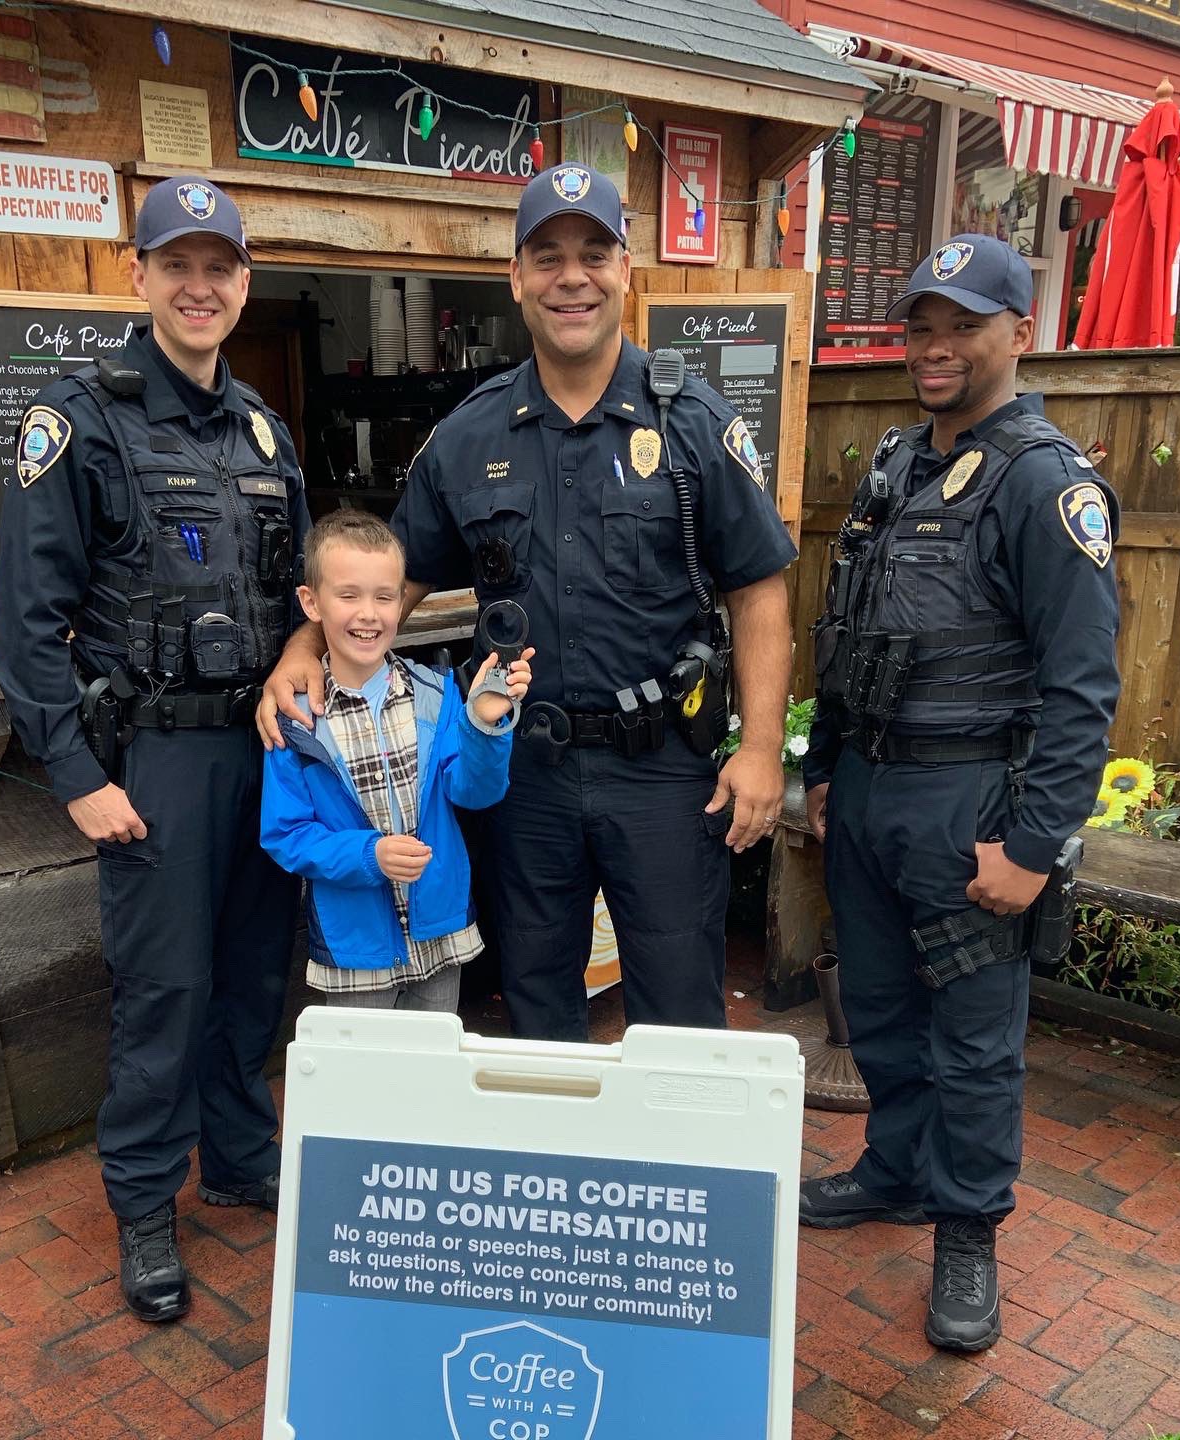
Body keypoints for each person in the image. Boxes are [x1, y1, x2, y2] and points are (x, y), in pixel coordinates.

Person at [259, 164, 798, 1041]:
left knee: (680, 1008)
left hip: (661, 769)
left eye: (594, 253)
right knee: (538, 999)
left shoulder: (693, 421)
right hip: (521, 772)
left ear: (626, 269)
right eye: (547, 257)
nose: (571, 277)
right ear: (517, 278)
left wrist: (764, 747)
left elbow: (758, 589)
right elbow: (392, 582)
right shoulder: (469, 435)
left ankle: (669, 1177)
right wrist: (302, 650)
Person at [0, 177, 311, 1324]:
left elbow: (301, 596)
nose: (199, 284)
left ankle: (237, 1156)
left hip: (263, 756)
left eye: (219, 264)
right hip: (156, 766)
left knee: (251, 978)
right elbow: (24, 621)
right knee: (164, 991)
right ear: (137, 277)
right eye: (176, 263)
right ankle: (142, 1202)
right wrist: (75, 779)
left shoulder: (265, 429)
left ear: (242, 281)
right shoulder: (78, 417)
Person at [800, 234, 1121, 1352]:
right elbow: (851, 632)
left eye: (964, 325)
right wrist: (825, 768)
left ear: (1019, 334)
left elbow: (1084, 688)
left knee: (975, 1041)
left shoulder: (1046, 485)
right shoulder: (896, 463)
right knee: (880, 1010)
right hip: (874, 793)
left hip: (972, 801)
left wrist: (1034, 849)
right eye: (921, 326)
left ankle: (968, 1230)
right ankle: (894, 1170)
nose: (935, 347)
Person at [261, 510, 532, 1010]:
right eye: (349, 595)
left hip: (439, 930)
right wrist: (370, 855)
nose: (369, 613)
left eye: (385, 597)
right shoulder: (295, 720)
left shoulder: (436, 694)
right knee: (363, 1080)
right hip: (355, 946)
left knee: (428, 1072)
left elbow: (475, 791)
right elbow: (286, 834)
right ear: (311, 602)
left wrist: (485, 725)